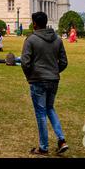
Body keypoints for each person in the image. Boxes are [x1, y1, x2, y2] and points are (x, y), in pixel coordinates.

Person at [21, 12, 69, 155]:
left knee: (41, 113)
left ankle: (43, 147)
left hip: (38, 81)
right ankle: (61, 140)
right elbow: (64, 62)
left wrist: (30, 76)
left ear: (34, 23)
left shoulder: (31, 40)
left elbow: (25, 62)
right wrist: (54, 71)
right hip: (53, 80)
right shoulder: (57, 39)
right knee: (50, 108)